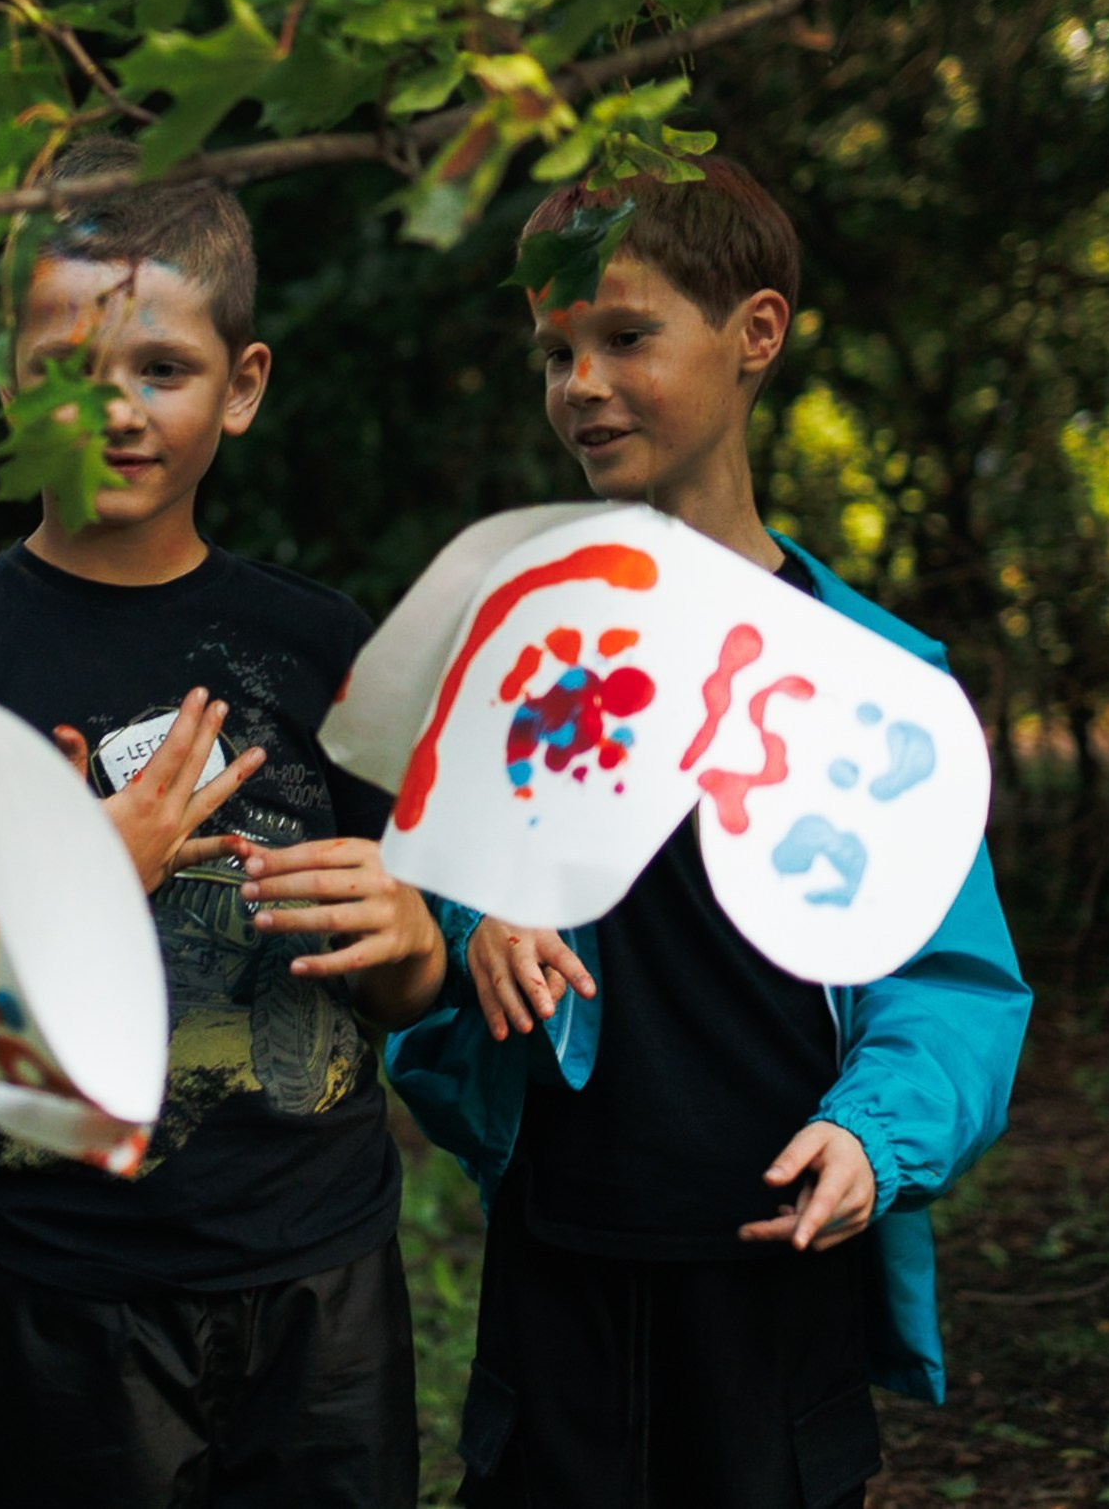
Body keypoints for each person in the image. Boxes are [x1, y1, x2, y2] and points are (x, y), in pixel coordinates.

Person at [384, 159, 1033, 1508]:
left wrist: (877, 1139)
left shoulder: (874, 684)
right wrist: (475, 917)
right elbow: (423, 910)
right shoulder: (514, 650)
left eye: (627, 336)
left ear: (756, 333)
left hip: (774, 1271)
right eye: (555, 351)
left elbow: (951, 986)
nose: (583, 384)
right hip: (561, 1270)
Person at [0, 136, 448, 1509]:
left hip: (323, 1283)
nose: (113, 411)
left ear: (242, 387)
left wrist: (413, 936)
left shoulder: (324, 649)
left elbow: (405, 981)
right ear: (7, 388)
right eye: (66, 371)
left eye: (162, 369)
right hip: (65, 1296)